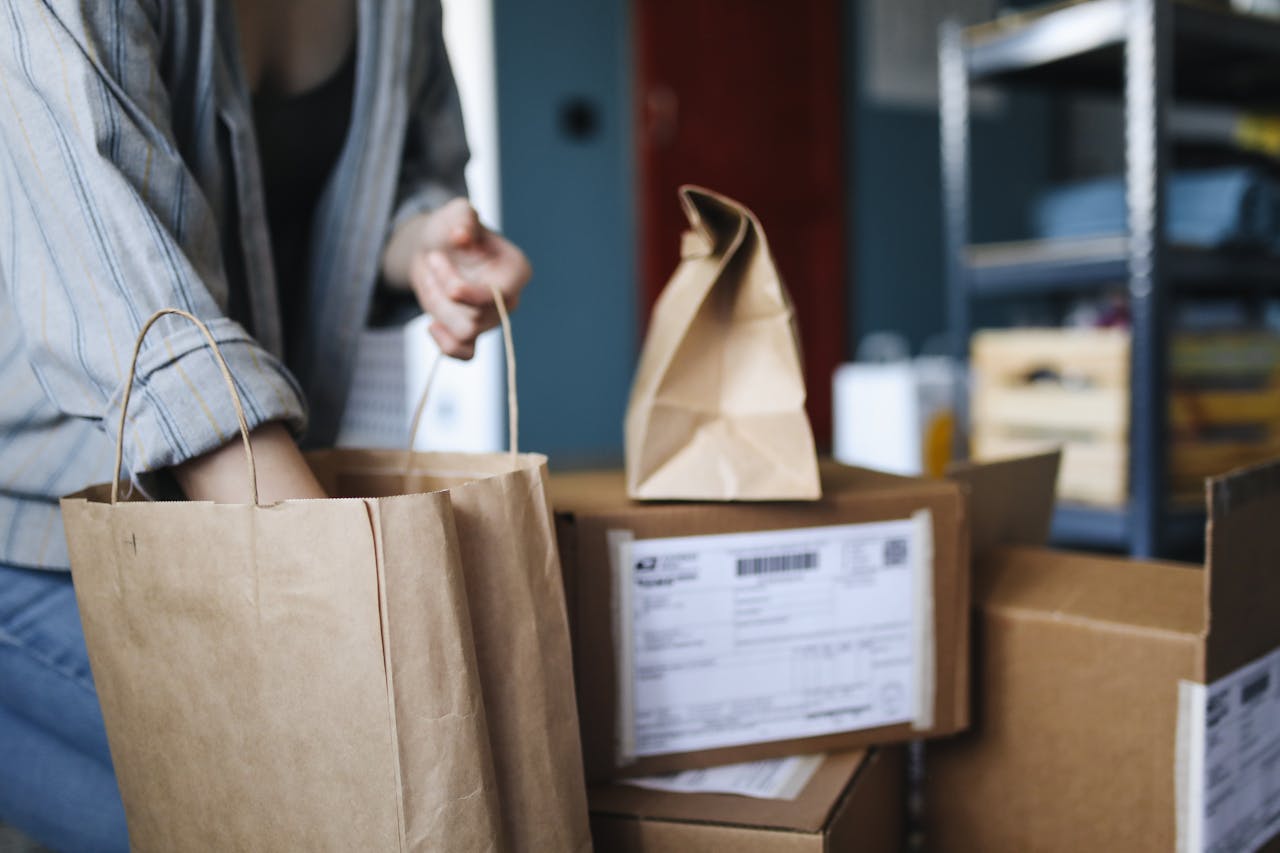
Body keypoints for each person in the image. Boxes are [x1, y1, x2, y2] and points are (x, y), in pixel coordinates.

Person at [0, 1, 530, 849]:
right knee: (315, 813)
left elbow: (398, 172)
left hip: (231, 527)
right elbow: (142, 317)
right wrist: (344, 618)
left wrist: (423, 242)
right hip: (34, 529)